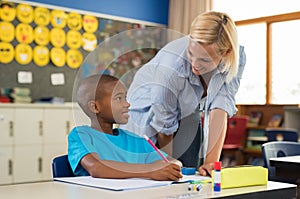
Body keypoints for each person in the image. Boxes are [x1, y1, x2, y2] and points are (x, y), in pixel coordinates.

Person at [120, 11, 246, 176]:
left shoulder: (236, 58)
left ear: (226, 52)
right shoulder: (171, 69)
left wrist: (210, 164)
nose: (195, 65)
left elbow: (220, 107)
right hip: (147, 115)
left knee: (194, 174)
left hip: (187, 112)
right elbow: (165, 127)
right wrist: (169, 164)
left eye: (204, 60)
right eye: (191, 54)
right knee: (156, 178)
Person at [68, 74, 182, 181]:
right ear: (95, 107)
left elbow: (171, 162)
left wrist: (172, 166)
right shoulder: (81, 135)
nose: (127, 104)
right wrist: (150, 170)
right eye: (118, 98)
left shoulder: (136, 140)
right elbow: (96, 167)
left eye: (125, 97)